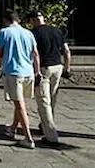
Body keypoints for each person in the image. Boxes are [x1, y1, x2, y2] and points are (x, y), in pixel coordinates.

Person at [0, 10, 39, 149]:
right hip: (28, 72)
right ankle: (13, 127)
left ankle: (28, 137)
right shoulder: (28, 33)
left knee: (20, 106)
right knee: (20, 102)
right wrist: (37, 71)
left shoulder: (4, 32)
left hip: (14, 72)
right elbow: (35, 53)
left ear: (6, 20)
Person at [30, 11, 71, 147]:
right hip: (58, 67)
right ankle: (45, 125)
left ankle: (51, 135)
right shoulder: (57, 31)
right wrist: (67, 67)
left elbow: (33, 53)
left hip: (44, 68)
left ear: (33, 20)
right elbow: (66, 50)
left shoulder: (34, 33)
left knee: (43, 101)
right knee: (52, 97)